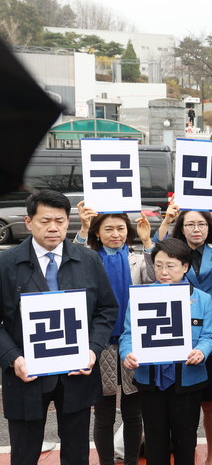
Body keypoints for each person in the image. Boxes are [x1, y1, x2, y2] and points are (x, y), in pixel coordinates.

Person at [0, 190, 119, 465]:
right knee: (24, 454)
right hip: (25, 376)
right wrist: (13, 359)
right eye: (44, 221)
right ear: (29, 222)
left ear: (69, 221)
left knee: (77, 454)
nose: (53, 228)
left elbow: (106, 309)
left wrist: (92, 349)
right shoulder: (6, 264)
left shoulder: (88, 260)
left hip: (76, 374)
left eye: (60, 220)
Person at [154, 195, 212, 465]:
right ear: (182, 227)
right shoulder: (173, 256)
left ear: (209, 226)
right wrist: (166, 219)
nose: (196, 229)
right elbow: (157, 252)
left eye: (201, 224)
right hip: (176, 334)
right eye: (189, 224)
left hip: (209, 334)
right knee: (177, 401)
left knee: (211, 402)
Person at [120, 238, 212, 465]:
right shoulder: (141, 297)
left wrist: (202, 351)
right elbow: (128, 335)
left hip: (188, 382)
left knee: (186, 442)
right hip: (151, 381)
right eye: (159, 265)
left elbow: (208, 335)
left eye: (170, 265)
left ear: (185, 267)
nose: (163, 271)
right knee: (155, 443)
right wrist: (127, 354)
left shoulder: (202, 299)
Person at [74, 203, 156, 465]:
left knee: (133, 413)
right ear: (98, 233)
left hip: (133, 340)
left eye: (121, 228)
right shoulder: (89, 258)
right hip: (99, 342)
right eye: (108, 228)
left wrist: (148, 243)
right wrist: (83, 228)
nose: (115, 234)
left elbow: (155, 282)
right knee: (104, 414)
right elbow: (72, 258)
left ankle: (131, 460)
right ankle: (106, 462)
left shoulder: (135, 257)